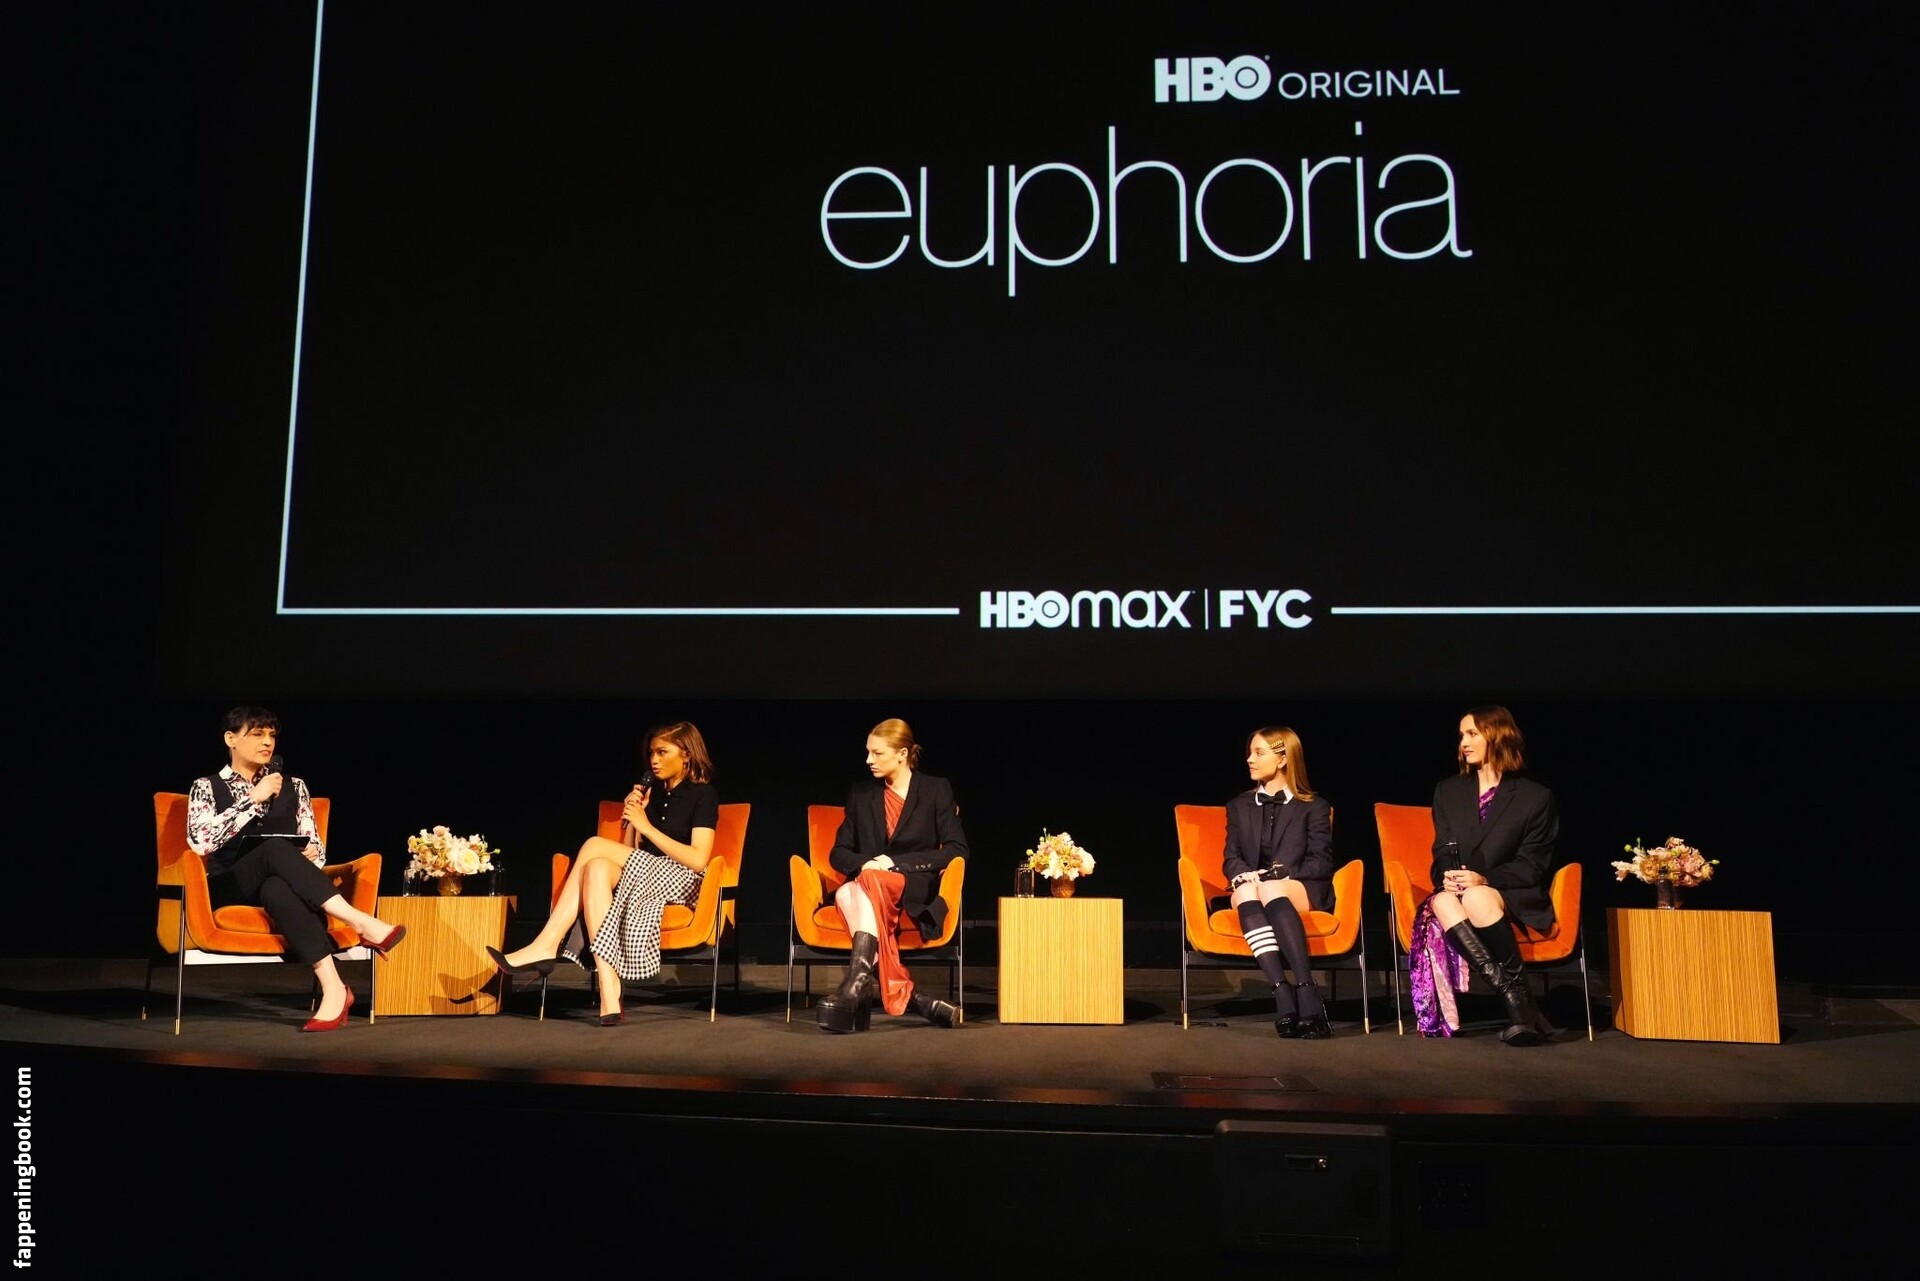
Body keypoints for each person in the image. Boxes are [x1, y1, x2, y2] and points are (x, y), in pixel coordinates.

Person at [185, 705, 406, 1032]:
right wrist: (252, 800)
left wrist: (311, 853)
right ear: (231, 739)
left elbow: (317, 850)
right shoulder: (206, 786)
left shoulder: (295, 786)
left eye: (271, 735)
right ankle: (360, 921)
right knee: (274, 848)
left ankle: (334, 989)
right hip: (230, 887)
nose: (267, 742)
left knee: (277, 885)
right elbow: (200, 842)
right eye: (257, 734)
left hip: (277, 886)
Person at [488, 722, 718, 1026]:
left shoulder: (703, 795)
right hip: (645, 875)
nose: (653, 760)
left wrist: (646, 826)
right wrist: (634, 819)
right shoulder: (652, 796)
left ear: (686, 754)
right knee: (595, 867)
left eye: (662, 752)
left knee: (595, 844)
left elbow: (698, 860)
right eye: (651, 753)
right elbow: (630, 853)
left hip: (681, 879)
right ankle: (610, 987)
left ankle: (547, 942)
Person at [815, 718, 966, 1032]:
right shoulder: (861, 794)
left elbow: (956, 849)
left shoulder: (935, 789)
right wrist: (868, 865)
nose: (868, 760)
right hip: (870, 883)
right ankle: (897, 994)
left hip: (912, 884)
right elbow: (838, 853)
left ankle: (861, 987)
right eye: (868, 752)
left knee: (851, 891)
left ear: (902, 754)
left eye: (877, 753)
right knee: (849, 890)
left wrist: (895, 864)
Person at [1423, 704, 1559, 1045]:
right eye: (1462, 736)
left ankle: (1518, 1003)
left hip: (1512, 890)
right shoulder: (1448, 790)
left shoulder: (1534, 797)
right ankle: (1519, 1003)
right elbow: (1442, 849)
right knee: (1442, 901)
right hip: (1460, 890)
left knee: (1477, 897)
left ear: (1497, 737)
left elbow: (1532, 864)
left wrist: (1483, 879)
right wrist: (1447, 876)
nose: (1463, 743)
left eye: (1472, 734)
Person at [1223, 726, 1337, 1038]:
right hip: (1255, 886)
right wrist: (1245, 873)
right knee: (1246, 891)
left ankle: (1306, 989)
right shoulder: (1238, 806)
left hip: (1300, 884)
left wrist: (1280, 873)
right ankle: (1281, 991)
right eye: (1250, 752)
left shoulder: (1314, 806)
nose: (1249, 759)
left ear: (1283, 758)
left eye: (1259, 753)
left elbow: (1321, 862)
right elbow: (1231, 857)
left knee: (1270, 887)